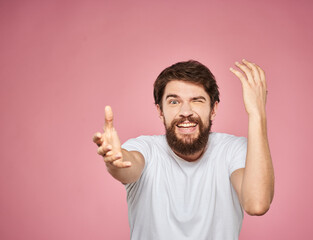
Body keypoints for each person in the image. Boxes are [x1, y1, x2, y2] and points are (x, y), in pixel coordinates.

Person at [92, 59, 274, 240]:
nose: (185, 111)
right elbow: (127, 165)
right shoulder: (145, 149)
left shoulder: (232, 150)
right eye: (174, 102)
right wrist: (114, 159)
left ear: (213, 109)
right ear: (160, 111)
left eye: (197, 100)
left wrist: (257, 113)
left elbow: (257, 204)